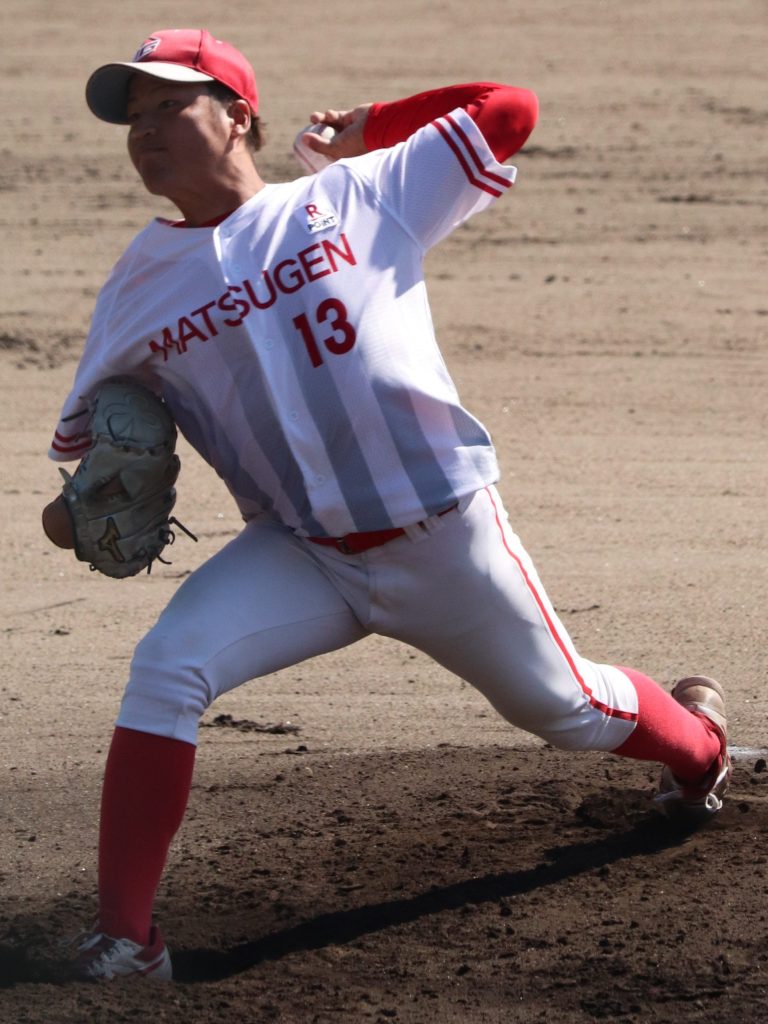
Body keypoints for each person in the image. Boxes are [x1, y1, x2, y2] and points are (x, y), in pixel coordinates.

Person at [42, 28, 731, 982]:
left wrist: (371, 126)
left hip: (443, 538)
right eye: (134, 117)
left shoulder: (357, 195)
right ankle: (126, 939)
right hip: (302, 553)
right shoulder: (133, 290)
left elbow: (510, 109)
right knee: (166, 667)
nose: (146, 130)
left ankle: (699, 749)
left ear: (239, 116)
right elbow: (76, 487)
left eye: (169, 104)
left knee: (570, 709)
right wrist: (79, 513)